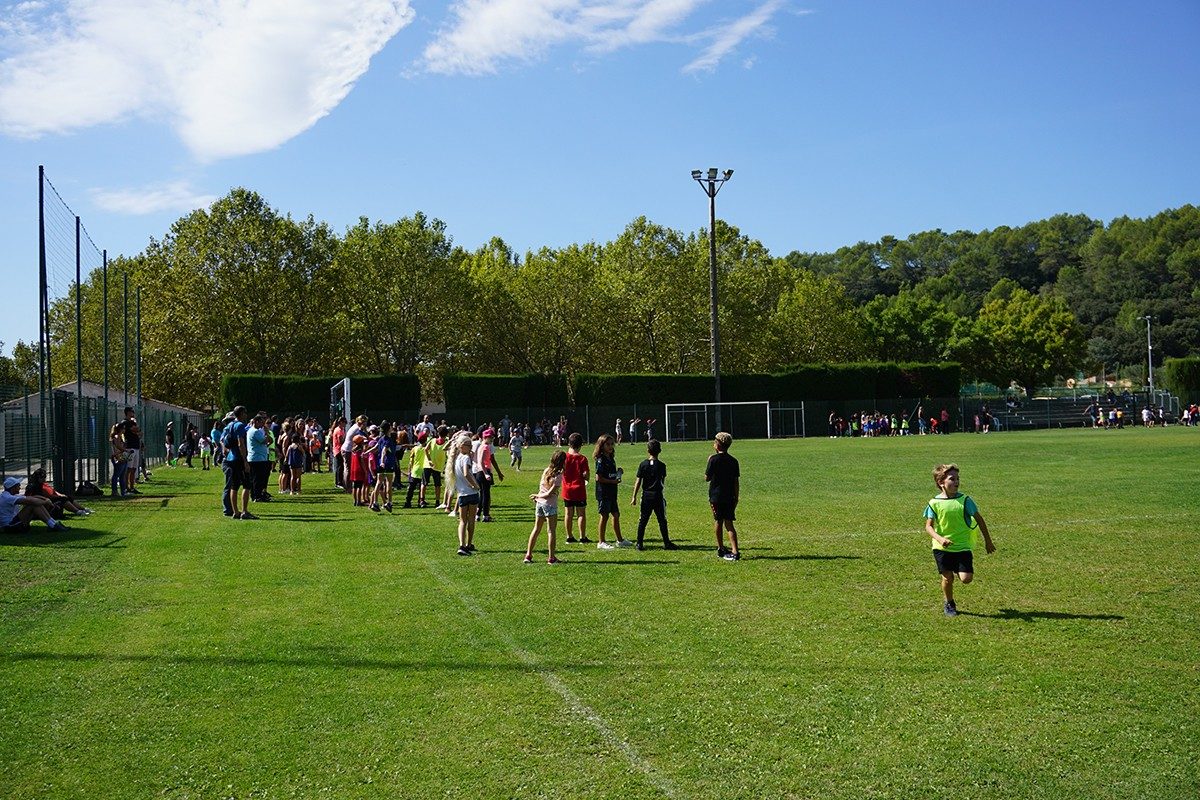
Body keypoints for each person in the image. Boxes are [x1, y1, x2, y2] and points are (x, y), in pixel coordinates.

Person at [924, 463, 995, 617]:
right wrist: (940, 538)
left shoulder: (965, 500)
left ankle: (958, 569)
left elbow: (980, 520)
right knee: (947, 578)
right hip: (941, 547)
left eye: (958, 478)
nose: (956, 482)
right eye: (952, 479)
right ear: (941, 482)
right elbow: (928, 527)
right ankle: (949, 602)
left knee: (966, 579)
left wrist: (988, 541)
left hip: (962, 547)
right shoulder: (933, 503)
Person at [630, 439, 676, 551]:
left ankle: (639, 543)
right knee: (662, 519)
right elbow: (662, 481)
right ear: (659, 451)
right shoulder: (662, 466)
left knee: (643, 520)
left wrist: (634, 496)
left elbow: (638, 481)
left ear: (648, 450)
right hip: (657, 495)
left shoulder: (643, 464)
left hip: (646, 495)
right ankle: (666, 542)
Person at [704, 431, 741, 561]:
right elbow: (736, 481)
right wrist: (736, 497)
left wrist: (709, 462)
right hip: (730, 496)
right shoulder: (734, 461)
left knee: (718, 521)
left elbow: (707, 478)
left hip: (716, 496)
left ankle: (720, 547)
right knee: (729, 523)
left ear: (718, 444)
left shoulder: (713, 459)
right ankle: (735, 550)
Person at [525, 450, 565, 564]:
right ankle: (551, 558)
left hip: (540, 504)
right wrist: (538, 496)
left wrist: (538, 497)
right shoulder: (558, 476)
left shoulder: (546, 470)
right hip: (550, 505)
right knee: (551, 531)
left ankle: (528, 555)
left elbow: (542, 488)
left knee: (536, 529)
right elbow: (549, 494)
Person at [593, 434, 631, 549]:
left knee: (616, 514)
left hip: (612, 492)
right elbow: (598, 478)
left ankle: (620, 540)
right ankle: (601, 542)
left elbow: (611, 475)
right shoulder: (601, 460)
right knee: (604, 516)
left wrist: (618, 472)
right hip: (603, 492)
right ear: (601, 445)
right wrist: (612, 481)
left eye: (611, 444)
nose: (610, 447)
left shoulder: (611, 458)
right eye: (607, 444)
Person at [221, 407, 253, 519]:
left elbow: (224, 441)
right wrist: (245, 461)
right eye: (245, 412)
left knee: (234, 486)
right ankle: (244, 511)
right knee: (247, 484)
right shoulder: (240, 425)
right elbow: (241, 443)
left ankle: (235, 511)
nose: (246, 414)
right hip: (238, 458)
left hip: (230, 458)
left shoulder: (230, 425)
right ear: (241, 413)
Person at [1, 476, 67, 532]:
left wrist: (46, 499)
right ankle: (53, 525)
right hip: (10, 526)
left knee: (35, 503)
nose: (20, 488)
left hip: (14, 523)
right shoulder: (7, 497)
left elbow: (32, 497)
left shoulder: (10, 495)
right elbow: (33, 501)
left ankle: (53, 524)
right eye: (18, 486)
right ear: (13, 487)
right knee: (33, 505)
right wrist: (46, 502)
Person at [454, 435, 481, 556]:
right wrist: (475, 485)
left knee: (462, 521)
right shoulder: (465, 458)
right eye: (469, 445)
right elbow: (466, 473)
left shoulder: (457, 458)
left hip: (461, 494)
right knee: (471, 520)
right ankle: (469, 543)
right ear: (462, 446)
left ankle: (462, 545)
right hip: (471, 493)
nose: (471, 447)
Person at [561, 432, 591, 544]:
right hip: (579, 489)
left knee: (568, 514)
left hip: (567, 489)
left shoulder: (564, 457)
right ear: (580, 445)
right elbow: (586, 474)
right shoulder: (582, 459)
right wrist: (586, 477)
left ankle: (569, 536)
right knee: (581, 514)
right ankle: (582, 537)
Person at [472, 429, 504, 522]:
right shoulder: (485, 447)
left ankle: (478, 514)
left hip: (480, 472)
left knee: (482, 494)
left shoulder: (482, 446)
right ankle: (485, 515)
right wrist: (486, 473)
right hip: (484, 472)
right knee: (486, 495)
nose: (492, 439)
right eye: (490, 437)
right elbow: (481, 461)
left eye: (492, 437)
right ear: (485, 437)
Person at [246, 414, 273, 502]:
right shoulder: (256, 431)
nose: (263, 425)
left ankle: (254, 495)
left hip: (255, 457)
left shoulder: (251, 430)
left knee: (255, 478)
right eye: (262, 422)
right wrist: (266, 433)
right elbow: (266, 440)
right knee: (258, 478)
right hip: (258, 458)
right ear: (256, 422)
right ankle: (257, 496)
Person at [109, 422, 129, 497]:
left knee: (122, 476)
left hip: (122, 457)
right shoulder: (117, 436)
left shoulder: (121, 436)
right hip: (118, 457)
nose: (124, 429)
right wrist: (125, 450)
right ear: (120, 429)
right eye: (123, 428)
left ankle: (123, 492)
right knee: (116, 475)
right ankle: (114, 491)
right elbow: (117, 446)